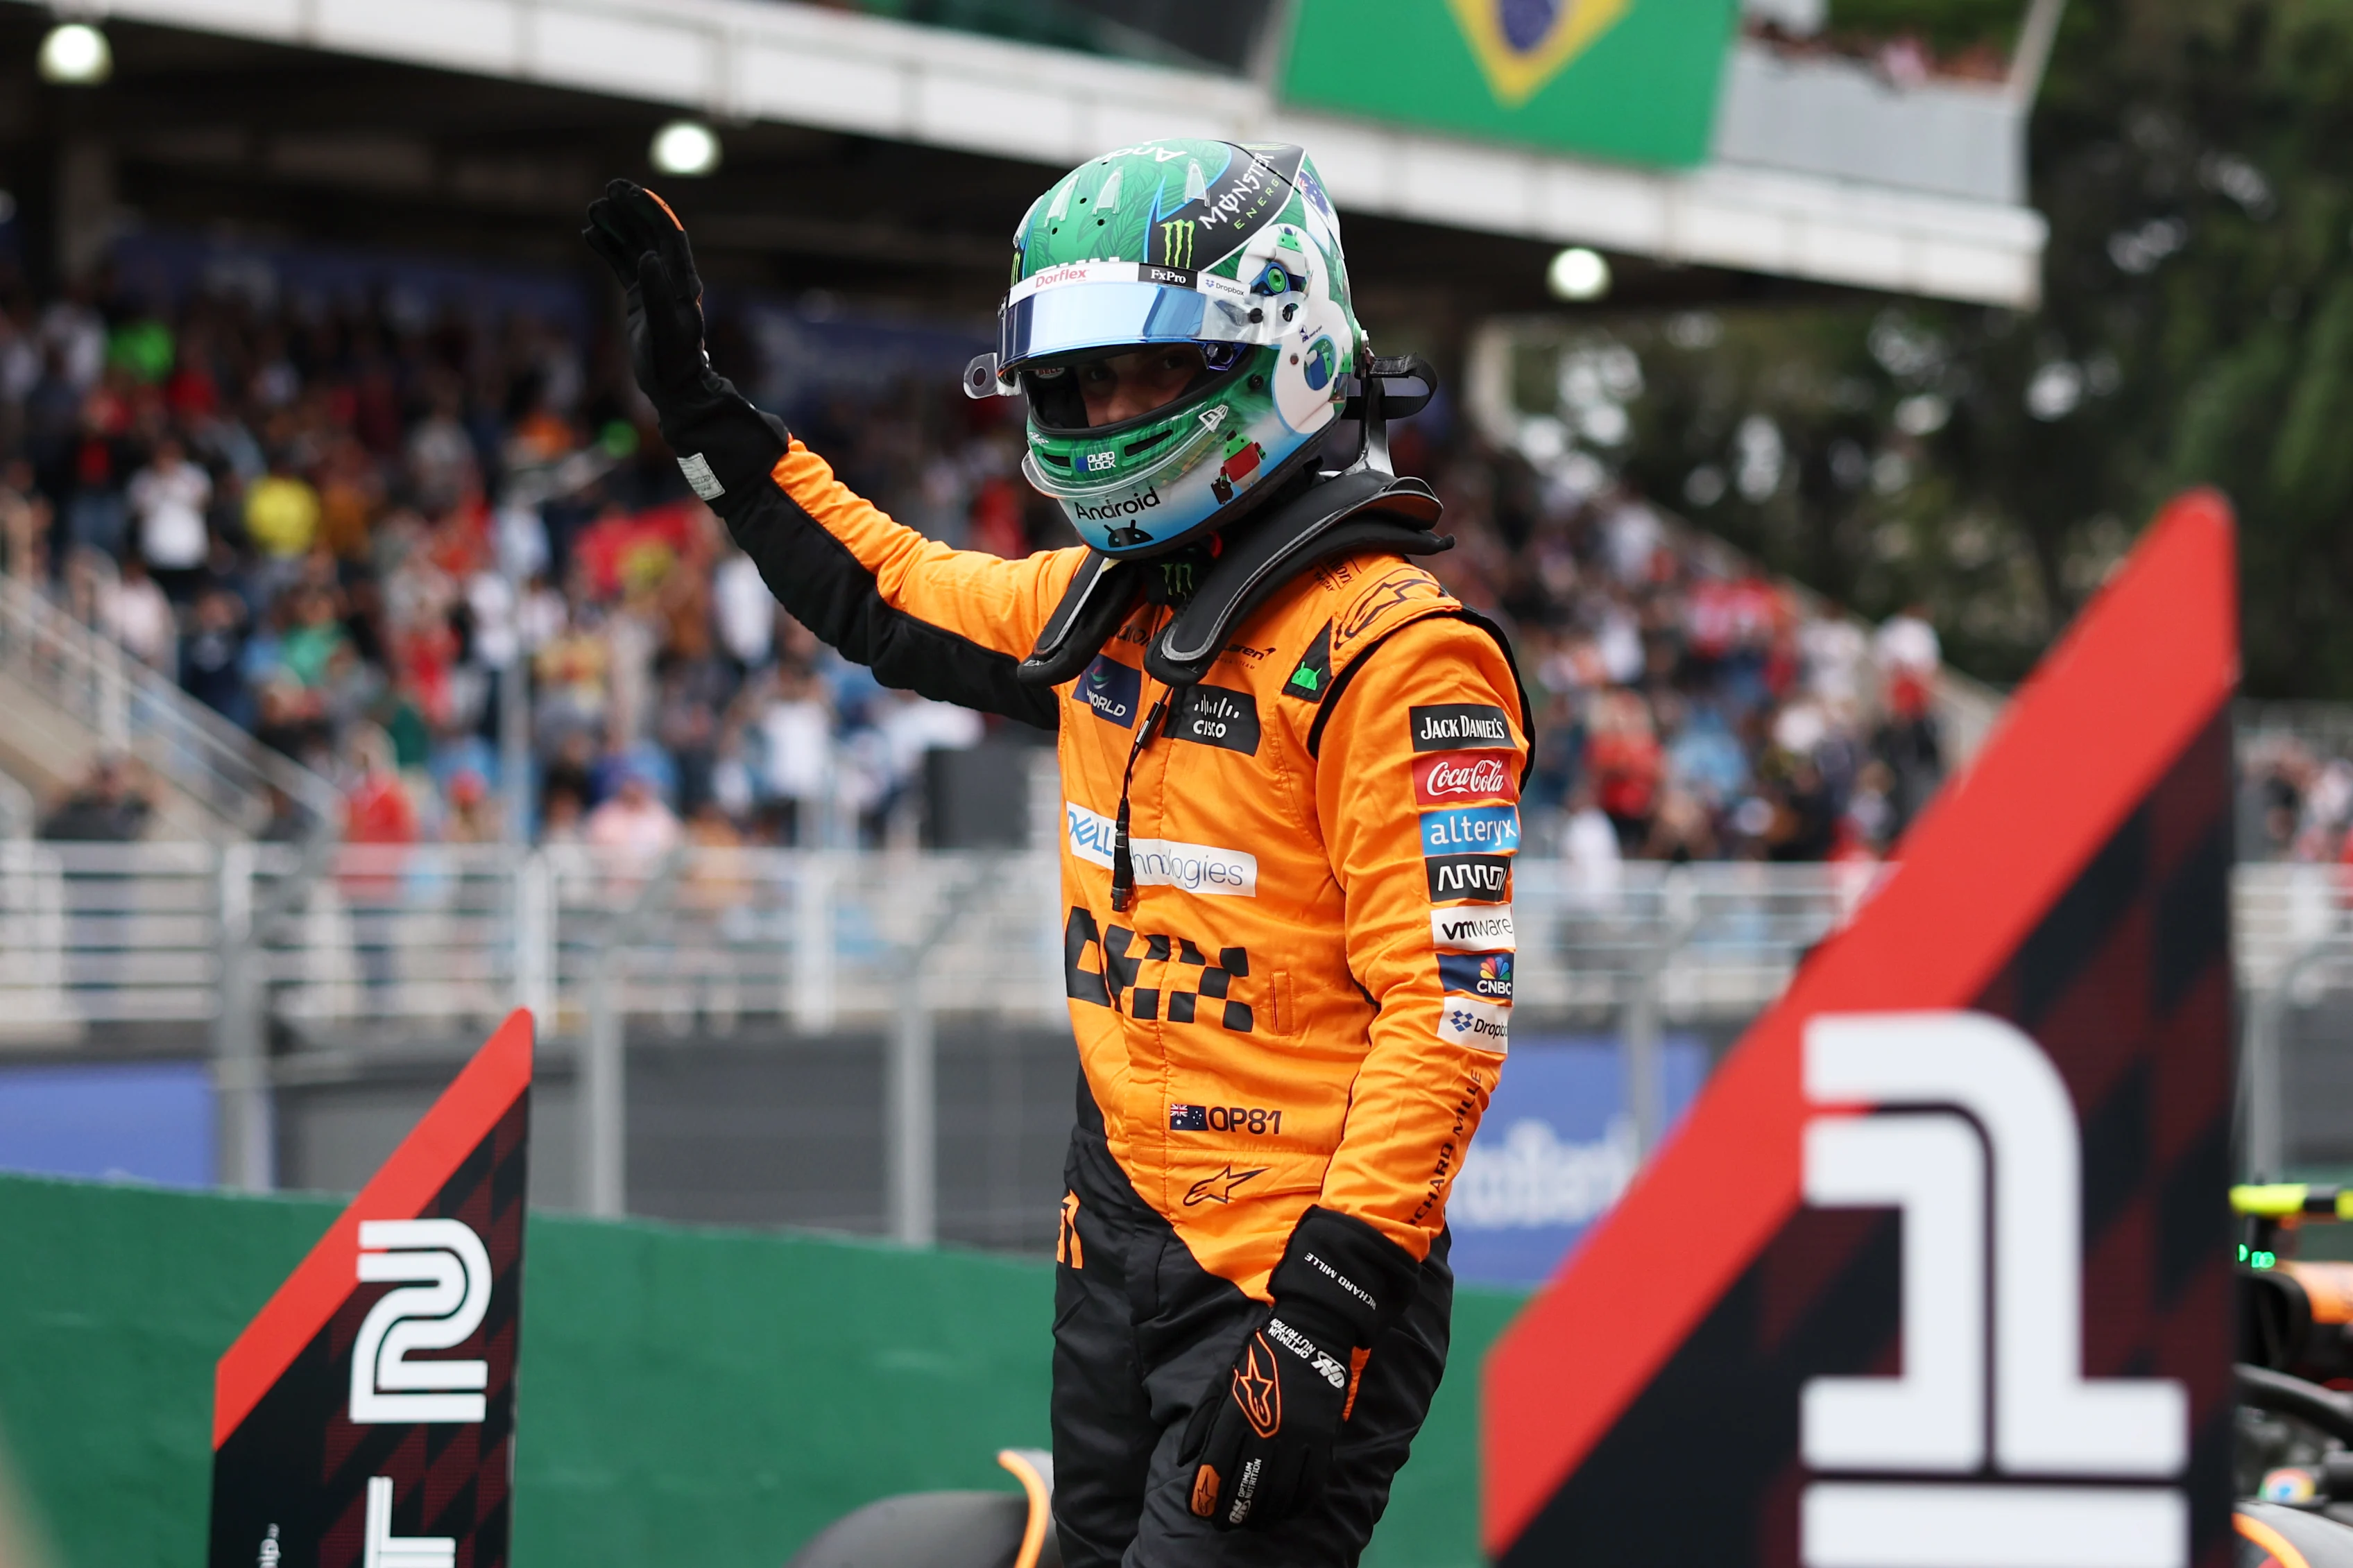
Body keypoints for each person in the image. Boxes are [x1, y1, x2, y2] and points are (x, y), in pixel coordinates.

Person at [586, 141, 1530, 1568]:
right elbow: (879, 583)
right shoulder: (1094, 610)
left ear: (1272, 352)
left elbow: (1445, 1016)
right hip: (1114, 1237)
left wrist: (1322, 1318)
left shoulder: (1402, 655)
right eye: (1081, 379)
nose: (1108, 410)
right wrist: (697, 407)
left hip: (1294, 1275)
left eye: (1151, 371)